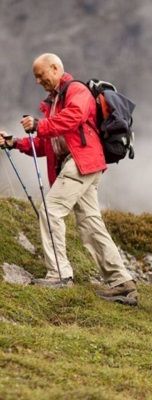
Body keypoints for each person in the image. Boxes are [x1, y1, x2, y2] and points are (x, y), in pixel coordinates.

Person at [0, 53, 137, 305]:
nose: (38, 81)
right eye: (36, 77)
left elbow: (73, 117)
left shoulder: (76, 91)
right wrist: (13, 142)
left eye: (41, 75)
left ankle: (60, 275)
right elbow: (45, 145)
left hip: (81, 163)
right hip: (82, 164)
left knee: (51, 210)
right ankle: (122, 283)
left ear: (55, 68)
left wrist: (40, 124)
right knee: (90, 224)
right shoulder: (53, 104)